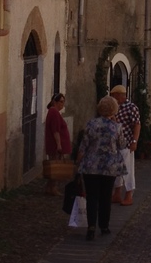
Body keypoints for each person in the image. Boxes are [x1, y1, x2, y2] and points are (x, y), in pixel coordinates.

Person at [76, 95, 126, 240]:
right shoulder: (116, 127)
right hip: (109, 167)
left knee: (92, 196)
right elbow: (122, 145)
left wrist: (78, 163)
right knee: (106, 196)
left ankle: (91, 226)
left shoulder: (91, 124)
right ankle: (104, 226)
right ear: (114, 110)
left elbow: (83, 145)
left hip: (91, 166)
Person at [109, 84, 141, 206]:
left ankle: (129, 195)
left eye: (114, 96)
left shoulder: (131, 107)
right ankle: (117, 193)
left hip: (127, 143)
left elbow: (137, 124)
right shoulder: (114, 107)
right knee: (117, 169)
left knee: (128, 169)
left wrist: (134, 141)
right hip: (115, 143)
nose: (113, 98)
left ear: (120, 95)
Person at [44, 93, 72, 196]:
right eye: (61, 102)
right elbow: (55, 130)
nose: (62, 104)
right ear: (54, 102)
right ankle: (53, 188)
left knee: (54, 167)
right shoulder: (54, 112)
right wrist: (59, 145)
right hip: (56, 145)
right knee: (56, 167)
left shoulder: (54, 112)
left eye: (63, 102)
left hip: (55, 144)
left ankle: (49, 187)